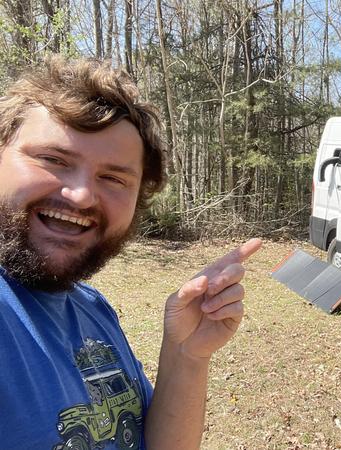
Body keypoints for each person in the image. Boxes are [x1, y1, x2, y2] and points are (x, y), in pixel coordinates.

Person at [0, 56, 262, 449]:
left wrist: (187, 354)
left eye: (113, 178)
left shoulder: (93, 308)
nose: (83, 194)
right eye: (53, 160)